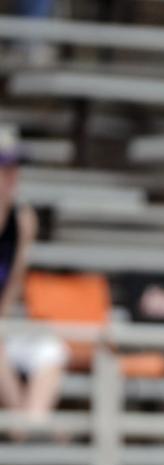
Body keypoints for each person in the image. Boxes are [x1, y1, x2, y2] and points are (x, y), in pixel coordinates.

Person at [0, 124, 68, 436]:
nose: (11, 175)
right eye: (4, 167)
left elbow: (12, 286)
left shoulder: (23, 219)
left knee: (50, 349)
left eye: (14, 167)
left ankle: (31, 426)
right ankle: (26, 433)